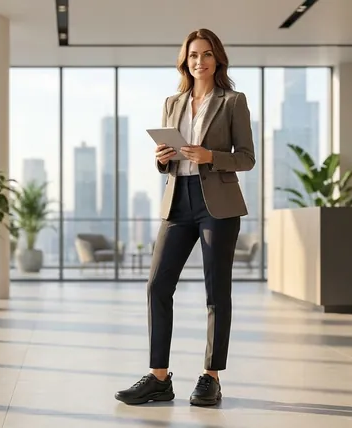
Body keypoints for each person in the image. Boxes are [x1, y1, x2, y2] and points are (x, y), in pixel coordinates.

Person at [114, 28, 255, 407]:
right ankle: (159, 378)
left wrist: (212, 157)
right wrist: (162, 159)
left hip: (218, 205)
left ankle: (211, 376)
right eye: (193, 55)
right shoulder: (172, 102)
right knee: (158, 285)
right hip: (178, 202)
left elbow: (246, 157)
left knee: (216, 291)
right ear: (185, 60)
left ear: (217, 59)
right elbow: (169, 159)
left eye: (207, 55)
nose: (200, 61)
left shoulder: (232, 101)